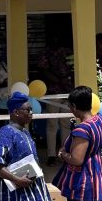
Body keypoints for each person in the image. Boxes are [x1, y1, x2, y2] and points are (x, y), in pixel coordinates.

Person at [36, 35, 72, 165]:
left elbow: (73, 67)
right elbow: (43, 70)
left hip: (68, 91)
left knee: (66, 124)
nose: (56, 39)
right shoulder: (45, 53)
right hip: (53, 92)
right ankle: (51, 155)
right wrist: (57, 79)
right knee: (52, 124)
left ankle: (65, 154)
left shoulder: (67, 51)